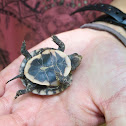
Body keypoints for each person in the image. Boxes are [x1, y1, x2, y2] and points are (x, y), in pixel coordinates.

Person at [0, 0, 126, 125]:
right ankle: (22, 89)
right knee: (33, 84)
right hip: (13, 53)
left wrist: (112, 31)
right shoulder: (66, 75)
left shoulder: (61, 53)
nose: (78, 57)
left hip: (35, 70)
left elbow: (59, 52)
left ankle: (22, 85)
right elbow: (64, 81)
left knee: (31, 84)